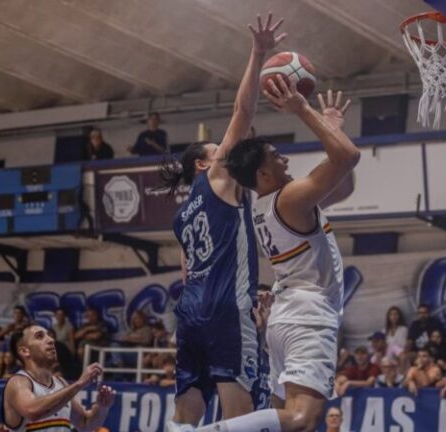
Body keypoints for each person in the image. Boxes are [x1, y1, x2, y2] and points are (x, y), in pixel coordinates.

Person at [204, 81, 359, 429]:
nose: (284, 158)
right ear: (262, 173)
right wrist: (303, 109)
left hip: (286, 316)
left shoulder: (270, 204)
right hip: (308, 314)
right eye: (276, 156)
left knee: (285, 424)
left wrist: (331, 128)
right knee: (303, 419)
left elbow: (345, 180)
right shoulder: (289, 198)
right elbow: (348, 157)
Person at [161, 14, 287, 432]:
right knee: (241, 415)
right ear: (204, 162)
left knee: (185, 414)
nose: (227, 151)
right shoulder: (217, 177)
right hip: (225, 309)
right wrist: (258, 53)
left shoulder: (181, 216)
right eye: (218, 149)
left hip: (190, 309)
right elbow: (242, 110)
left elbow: (185, 273)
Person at [2, 325, 115, 431]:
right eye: (40, 337)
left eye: (49, 335)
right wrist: (79, 384)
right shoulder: (18, 382)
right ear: (24, 351)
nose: (51, 340)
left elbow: (85, 424)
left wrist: (102, 407)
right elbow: (32, 412)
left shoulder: (60, 383)